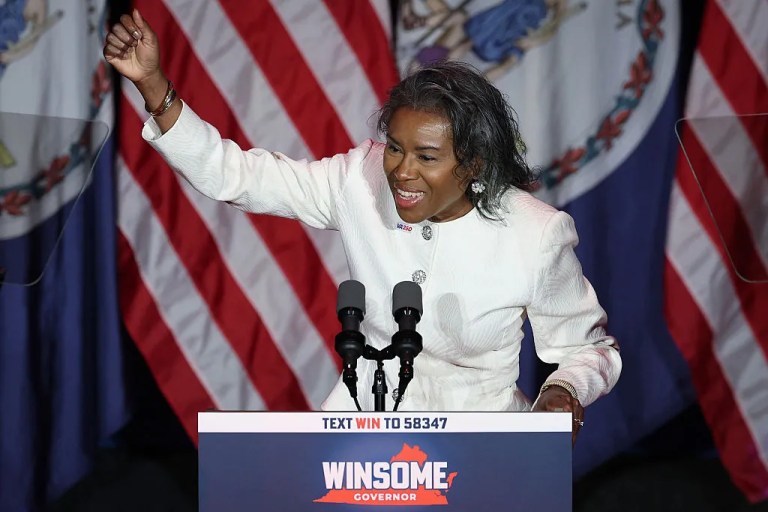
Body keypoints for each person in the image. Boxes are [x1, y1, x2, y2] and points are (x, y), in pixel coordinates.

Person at [104, 9, 621, 443]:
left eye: (427, 156)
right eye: (395, 148)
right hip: (360, 438)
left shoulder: (535, 234)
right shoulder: (359, 179)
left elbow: (588, 349)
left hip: (478, 448)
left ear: (475, 164)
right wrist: (154, 86)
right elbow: (233, 175)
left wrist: (564, 390)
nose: (401, 170)